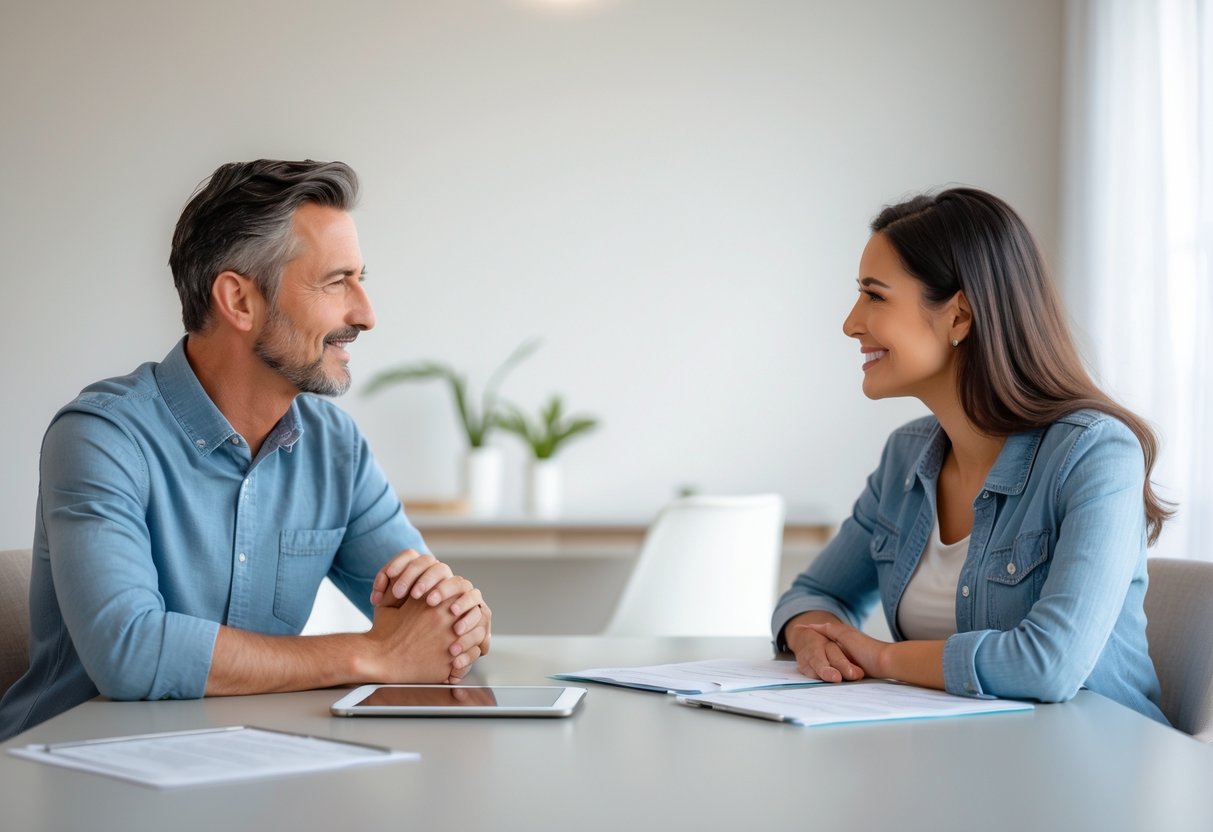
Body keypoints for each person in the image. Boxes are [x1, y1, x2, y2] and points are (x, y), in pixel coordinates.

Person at [0, 159, 491, 741]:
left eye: (362, 279)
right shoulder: (101, 437)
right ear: (238, 300)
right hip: (68, 776)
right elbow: (128, 652)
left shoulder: (335, 447)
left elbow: (423, 626)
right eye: (336, 282)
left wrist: (459, 619)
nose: (365, 314)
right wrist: (371, 655)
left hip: (237, 763)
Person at [773, 187, 1170, 723]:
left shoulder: (1095, 454)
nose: (851, 323)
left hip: (1096, 775)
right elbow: (814, 593)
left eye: (875, 296)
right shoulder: (904, 457)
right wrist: (810, 637)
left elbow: (1047, 665)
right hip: (957, 768)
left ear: (959, 316)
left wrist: (884, 656)